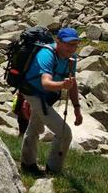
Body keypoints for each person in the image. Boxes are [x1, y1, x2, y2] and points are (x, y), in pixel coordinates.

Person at [20, 27, 83, 176]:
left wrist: (77, 108)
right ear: (58, 42)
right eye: (68, 44)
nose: (72, 48)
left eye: (75, 44)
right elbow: (45, 83)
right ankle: (53, 171)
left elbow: (72, 83)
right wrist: (62, 85)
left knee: (35, 126)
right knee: (64, 133)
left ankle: (27, 164)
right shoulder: (46, 54)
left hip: (45, 95)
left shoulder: (71, 59)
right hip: (33, 93)